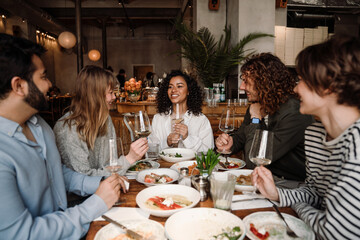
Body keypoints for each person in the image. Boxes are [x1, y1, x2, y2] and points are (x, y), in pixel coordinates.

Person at [0, 34, 123, 239]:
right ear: (19, 86)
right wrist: (95, 204)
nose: (50, 85)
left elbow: (57, 173)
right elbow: (22, 235)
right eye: (44, 77)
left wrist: (101, 184)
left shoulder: (40, 126)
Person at [253, 35, 360, 239]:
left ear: (328, 85)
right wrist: (277, 194)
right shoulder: (314, 135)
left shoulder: (357, 149)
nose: (295, 89)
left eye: (301, 80)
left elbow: (333, 233)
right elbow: (314, 193)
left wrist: (297, 204)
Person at [215, 53, 314, 185]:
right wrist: (231, 143)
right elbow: (243, 135)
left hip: (290, 184)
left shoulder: (294, 112)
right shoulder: (258, 104)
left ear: (264, 82)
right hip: (264, 177)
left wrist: (256, 119)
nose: (241, 87)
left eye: (246, 81)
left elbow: (255, 159)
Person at [54, 65, 148, 176]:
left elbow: (111, 164)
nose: (114, 97)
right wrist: (129, 159)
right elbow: (83, 179)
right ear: (95, 95)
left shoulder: (105, 119)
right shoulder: (67, 129)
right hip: (86, 193)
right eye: (110, 92)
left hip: (107, 186)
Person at [149, 70, 214, 152]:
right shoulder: (158, 118)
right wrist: (167, 143)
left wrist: (187, 138)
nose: (173, 90)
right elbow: (150, 150)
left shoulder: (200, 119)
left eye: (179, 86)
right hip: (165, 165)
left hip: (191, 164)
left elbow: (209, 151)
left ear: (188, 91)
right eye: (170, 87)